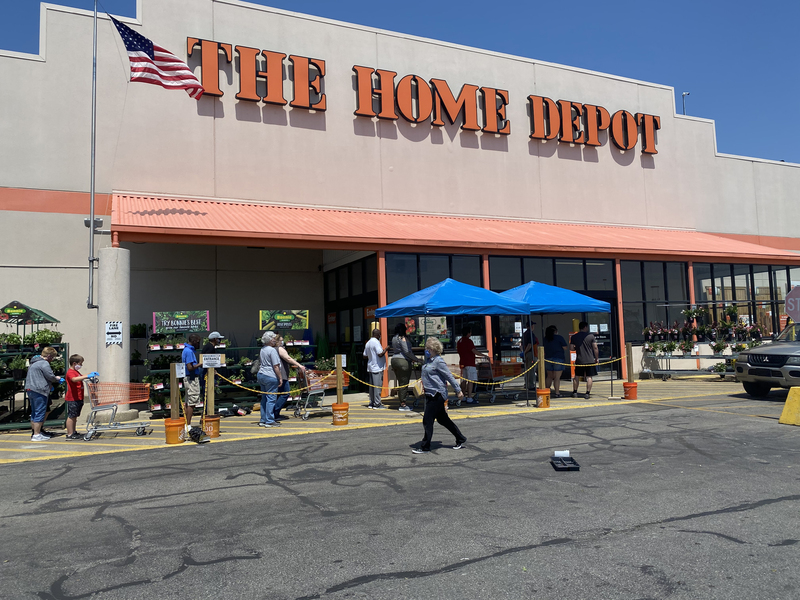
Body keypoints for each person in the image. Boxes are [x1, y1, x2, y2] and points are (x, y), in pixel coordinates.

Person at [412, 337, 467, 454]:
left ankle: (425, 446)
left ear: (432, 349)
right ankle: (460, 438)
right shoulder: (429, 361)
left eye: (427, 348)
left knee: (427, 419)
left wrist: (458, 390)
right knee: (443, 420)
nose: (425, 350)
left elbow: (449, 376)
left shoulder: (438, 361)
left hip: (437, 394)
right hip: (430, 393)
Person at [24, 347, 63, 441]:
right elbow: (50, 376)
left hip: (30, 389)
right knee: (40, 412)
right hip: (39, 390)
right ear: (49, 356)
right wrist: (57, 378)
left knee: (34, 412)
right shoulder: (44, 363)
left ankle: (35, 432)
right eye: (52, 357)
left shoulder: (34, 363)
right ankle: (37, 435)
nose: (52, 359)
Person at [274, 335, 306, 420]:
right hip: (281, 374)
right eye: (281, 340)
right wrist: (299, 365)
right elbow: (288, 358)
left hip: (275, 374)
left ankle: (274, 413)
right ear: (277, 341)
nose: (282, 342)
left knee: (278, 394)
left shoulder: (271, 349)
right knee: (285, 393)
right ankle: (275, 412)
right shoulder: (279, 349)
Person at [391, 323, 421, 411]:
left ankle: (401, 401)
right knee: (404, 383)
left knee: (400, 382)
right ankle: (403, 404)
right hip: (402, 361)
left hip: (394, 360)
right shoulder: (402, 338)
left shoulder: (393, 338)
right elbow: (407, 351)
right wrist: (416, 359)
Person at [456, 326, 489, 404]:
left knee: (463, 380)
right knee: (470, 380)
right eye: (470, 332)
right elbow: (474, 351)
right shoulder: (469, 341)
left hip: (462, 363)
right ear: (468, 333)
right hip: (470, 363)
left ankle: (463, 395)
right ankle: (469, 397)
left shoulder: (459, 341)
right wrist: (484, 355)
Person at [64, 353, 93, 440]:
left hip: (78, 397)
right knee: (71, 416)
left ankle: (73, 431)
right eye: (80, 364)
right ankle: (70, 434)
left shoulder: (76, 372)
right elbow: (74, 379)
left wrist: (90, 373)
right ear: (74, 363)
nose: (81, 365)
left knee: (75, 416)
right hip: (72, 397)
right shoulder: (70, 372)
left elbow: (80, 376)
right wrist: (87, 376)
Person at [257, 331, 283, 427]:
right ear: (269, 340)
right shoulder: (272, 350)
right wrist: (280, 378)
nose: (274, 340)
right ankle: (270, 420)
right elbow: (276, 366)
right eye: (273, 338)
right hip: (270, 376)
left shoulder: (262, 349)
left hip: (261, 374)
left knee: (264, 398)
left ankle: (263, 419)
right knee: (271, 399)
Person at [570, 321, 599, 399]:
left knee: (576, 376)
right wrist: (596, 358)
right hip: (589, 360)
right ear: (585, 327)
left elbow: (571, 348)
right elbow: (595, 348)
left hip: (579, 360)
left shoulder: (574, 337)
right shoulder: (591, 336)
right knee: (589, 377)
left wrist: (577, 348)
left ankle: (575, 392)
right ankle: (587, 393)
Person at [181, 333, 204, 428]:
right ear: (194, 341)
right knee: (192, 402)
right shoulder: (189, 352)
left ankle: (187, 423)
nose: (199, 344)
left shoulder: (185, 350)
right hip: (191, 378)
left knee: (188, 401)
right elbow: (190, 367)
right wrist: (200, 364)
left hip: (187, 378)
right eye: (198, 342)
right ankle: (188, 425)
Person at [363, 328, 388, 409]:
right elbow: (380, 354)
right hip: (377, 367)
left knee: (372, 387)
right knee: (377, 387)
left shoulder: (368, 343)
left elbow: (364, 355)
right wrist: (386, 349)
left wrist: (371, 356)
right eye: (379, 334)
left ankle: (372, 402)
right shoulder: (376, 342)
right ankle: (377, 404)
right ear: (377, 335)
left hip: (370, 367)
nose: (380, 336)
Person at [543, 326, 569, 398]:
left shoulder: (545, 339)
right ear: (555, 331)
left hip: (548, 358)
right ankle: (557, 393)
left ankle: (547, 391)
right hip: (558, 358)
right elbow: (565, 347)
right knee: (557, 377)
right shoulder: (559, 337)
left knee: (549, 376)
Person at [199, 331, 223, 401]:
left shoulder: (208, 346)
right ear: (215, 339)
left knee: (207, 390)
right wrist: (213, 370)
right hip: (206, 371)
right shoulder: (210, 348)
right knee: (207, 389)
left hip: (206, 370)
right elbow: (208, 361)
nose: (219, 341)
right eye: (219, 339)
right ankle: (207, 409)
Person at [521, 323, 539, 390]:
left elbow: (521, 344)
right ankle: (531, 385)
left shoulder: (524, 334)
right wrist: (525, 351)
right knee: (531, 370)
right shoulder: (531, 334)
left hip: (526, 353)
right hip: (531, 353)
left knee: (527, 369)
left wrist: (523, 352)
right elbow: (530, 344)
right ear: (531, 326)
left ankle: (526, 383)